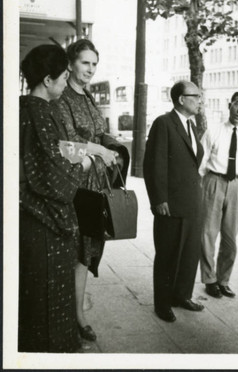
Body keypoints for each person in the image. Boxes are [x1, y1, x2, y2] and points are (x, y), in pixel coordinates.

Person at [54, 39, 129, 341]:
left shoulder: (86, 96)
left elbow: (98, 131)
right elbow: (61, 149)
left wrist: (113, 148)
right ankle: (72, 316)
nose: (90, 69)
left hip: (95, 186)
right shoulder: (61, 98)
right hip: (74, 187)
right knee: (73, 251)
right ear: (70, 63)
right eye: (85, 62)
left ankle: (76, 312)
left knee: (86, 252)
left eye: (94, 64)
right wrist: (98, 148)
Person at [19, 44, 93, 352]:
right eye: (63, 77)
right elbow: (55, 169)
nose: (65, 83)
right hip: (44, 221)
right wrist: (89, 161)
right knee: (49, 297)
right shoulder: (41, 112)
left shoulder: (26, 108)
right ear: (47, 80)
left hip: (33, 215)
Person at [143, 81, 204, 323]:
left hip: (192, 202)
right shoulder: (163, 123)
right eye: (196, 96)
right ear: (181, 99)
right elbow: (153, 163)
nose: (200, 100)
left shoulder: (192, 125)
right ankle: (163, 303)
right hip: (170, 204)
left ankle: (182, 295)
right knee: (168, 254)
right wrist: (159, 199)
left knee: (190, 253)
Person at [199, 91, 238, 299]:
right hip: (213, 182)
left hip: (237, 186)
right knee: (207, 234)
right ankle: (209, 279)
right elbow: (200, 163)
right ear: (229, 105)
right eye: (237, 105)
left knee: (230, 238)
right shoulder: (213, 131)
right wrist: (198, 188)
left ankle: (223, 280)